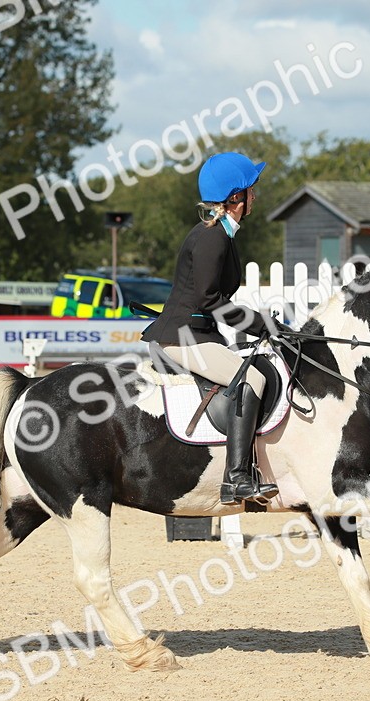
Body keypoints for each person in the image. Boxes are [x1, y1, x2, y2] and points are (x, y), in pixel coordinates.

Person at [142, 152, 280, 505]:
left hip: (197, 334)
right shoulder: (211, 237)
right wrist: (258, 323)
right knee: (253, 379)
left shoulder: (222, 234)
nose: (255, 197)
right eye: (251, 190)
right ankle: (235, 477)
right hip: (182, 336)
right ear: (236, 198)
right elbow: (209, 300)